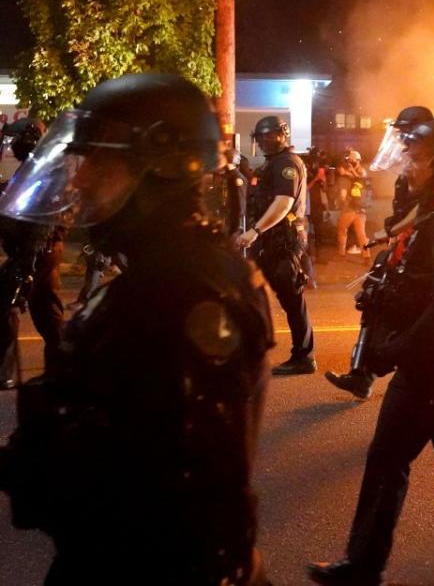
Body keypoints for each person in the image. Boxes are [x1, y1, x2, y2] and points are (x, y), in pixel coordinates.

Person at [0, 73, 273, 585]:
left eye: (99, 165)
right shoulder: (165, 273)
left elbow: (179, 494)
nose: (79, 181)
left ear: (160, 168)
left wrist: (36, 465)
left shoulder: (182, 292)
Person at [308, 121, 434, 586]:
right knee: (385, 462)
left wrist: (389, 353)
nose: (410, 166)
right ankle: (362, 565)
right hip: (422, 370)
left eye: (418, 158)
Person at [325, 106, 434, 400]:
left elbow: (424, 212)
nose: (401, 142)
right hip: (405, 249)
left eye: (406, 135)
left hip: (426, 258)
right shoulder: (412, 169)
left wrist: (388, 232)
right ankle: (362, 374)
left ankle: (416, 383)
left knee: (415, 320)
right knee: (374, 300)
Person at [236, 115, 316, 375]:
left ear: (284, 135)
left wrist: (255, 231)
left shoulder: (286, 164)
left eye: (271, 135)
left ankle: (303, 357)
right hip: (269, 241)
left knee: (291, 300)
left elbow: (283, 203)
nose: (266, 140)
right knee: (254, 295)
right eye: (261, 137)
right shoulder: (272, 163)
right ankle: (251, 351)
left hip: (282, 241)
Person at [0, 117, 65, 387]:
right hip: (27, 251)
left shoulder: (46, 173)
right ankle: (7, 372)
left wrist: (27, 261)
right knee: (25, 309)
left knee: (42, 312)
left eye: (22, 138)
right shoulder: (30, 171)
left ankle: (62, 366)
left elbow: (44, 221)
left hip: (39, 252)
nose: (16, 143)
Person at [335, 149, 371, 259]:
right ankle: (367, 256)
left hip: (349, 209)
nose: (349, 162)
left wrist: (340, 203)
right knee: (361, 234)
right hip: (361, 209)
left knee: (342, 230)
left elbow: (343, 195)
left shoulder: (354, 175)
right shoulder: (360, 174)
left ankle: (341, 254)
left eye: (351, 160)